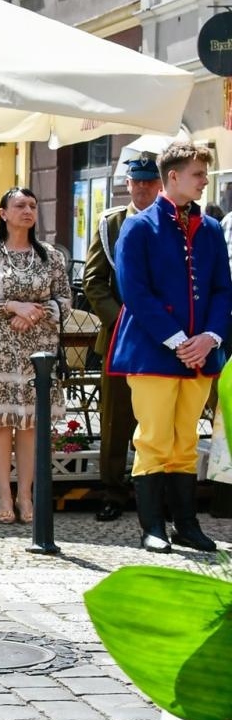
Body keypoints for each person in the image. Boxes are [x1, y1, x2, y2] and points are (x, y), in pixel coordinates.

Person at [111, 141, 229, 553]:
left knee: (184, 442)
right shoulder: (139, 226)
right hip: (153, 352)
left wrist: (210, 337)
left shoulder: (212, 229)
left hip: (202, 354)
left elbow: (221, 289)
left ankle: (187, 526)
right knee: (155, 439)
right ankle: (153, 527)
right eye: (198, 174)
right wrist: (179, 341)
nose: (204, 182)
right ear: (173, 176)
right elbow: (135, 292)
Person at [0, 188, 72, 525]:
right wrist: (11, 306)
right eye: (19, 205)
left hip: (37, 350)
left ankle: (26, 495)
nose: (27, 210)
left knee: (31, 424)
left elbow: (66, 301)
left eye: (32, 206)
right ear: (3, 213)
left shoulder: (51, 256)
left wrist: (35, 313)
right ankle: (3, 494)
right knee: (0, 424)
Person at [83, 155, 161, 523]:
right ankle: (112, 492)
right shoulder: (110, 223)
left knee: (160, 420)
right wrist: (121, 320)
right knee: (114, 421)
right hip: (119, 338)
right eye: (137, 182)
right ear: (127, 184)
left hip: (164, 339)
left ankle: (155, 493)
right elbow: (94, 282)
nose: (143, 187)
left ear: (160, 184)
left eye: (150, 181)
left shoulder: (171, 223)